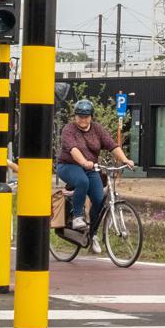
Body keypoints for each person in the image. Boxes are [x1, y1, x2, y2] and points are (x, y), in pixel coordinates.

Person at [57, 100, 121, 234]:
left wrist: (126, 160)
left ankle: (92, 235)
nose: (83, 120)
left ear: (91, 117)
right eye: (80, 116)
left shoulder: (97, 129)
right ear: (75, 116)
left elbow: (112, 145)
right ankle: (77, 216)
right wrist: (84, 162)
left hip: (90, 168)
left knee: (98, 200)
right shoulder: (69, 129)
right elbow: (73, 149)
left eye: (86, 117)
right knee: (82, 181)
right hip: (68, 165)